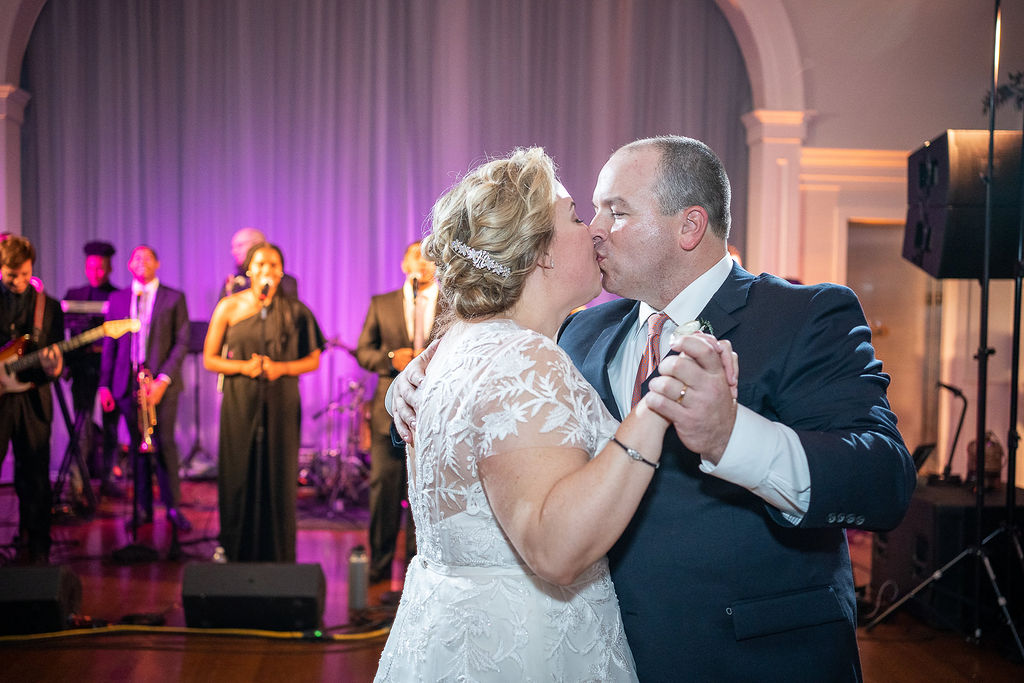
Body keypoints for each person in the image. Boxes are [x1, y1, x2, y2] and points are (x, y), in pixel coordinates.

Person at [392, 136, 916, 681]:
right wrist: (414, 386)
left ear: (689, 226)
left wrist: (731, 438)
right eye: (591, 211)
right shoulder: (578, 330)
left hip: (749, 658)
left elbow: (883, 480)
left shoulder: (803, 316)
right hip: (590, 651)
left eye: (616, 212)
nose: (595, 229)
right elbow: (500, 431)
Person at [374, 148, 725, 681]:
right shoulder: (521, 356)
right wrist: (656, 406)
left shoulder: (458, 348)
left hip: (454, 639)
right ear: (540, 253)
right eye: (578, 217)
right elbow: (555, 551)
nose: (596, 230)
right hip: (527, 645)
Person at [203, 242, 324, 562]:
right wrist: (243, 367)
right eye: (260, 264)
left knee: (278, 473)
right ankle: (235, 549)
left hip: (281, 400)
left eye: (273, 264)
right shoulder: (229, 306)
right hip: (240, 399)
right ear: (249, 270)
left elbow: (313, 359)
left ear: (281, 272)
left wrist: (280, 368)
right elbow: (210, 359)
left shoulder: (296, 310)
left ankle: (278, 554)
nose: (266, 270)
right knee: (239, 470)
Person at [355, 240, 439, 584]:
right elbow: (363, 352)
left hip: (434, 412)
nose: (423, 261)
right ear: (405, 264)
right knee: (383, 492)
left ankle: (418, 570)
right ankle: (378, 568)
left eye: (430, 255)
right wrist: (392, 359)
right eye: (416, 254)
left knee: (425, 494)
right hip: (387, 413)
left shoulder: (452, 303)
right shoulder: (382, 303)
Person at [98, 245, 192, 533]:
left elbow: (182, 342)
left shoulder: (174, 298)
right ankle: (142, 508)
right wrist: (104, 385)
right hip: (127, 383)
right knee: (137, 446)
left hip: (162, 385)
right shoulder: (118, 299)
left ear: (157, 263)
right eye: (136, 258)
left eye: (147, 257)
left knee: (164, 443)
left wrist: (162, 380)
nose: (142, 262)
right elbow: (110, 343)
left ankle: (172, 507)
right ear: (129, 265)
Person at [0, 234, 64, 564]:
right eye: (12, 275)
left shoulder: (48, 306)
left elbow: (58, 355)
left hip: (34, 397)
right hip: (1, 400)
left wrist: (56, 367)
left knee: (36, 473)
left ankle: (38, 546)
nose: (19, 281)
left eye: (25, 274)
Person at [63, 240, 122, 498]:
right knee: (82, 426)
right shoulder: (74, 295)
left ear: (109, 268)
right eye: (91, 267)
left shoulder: (118, 296)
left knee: (111, 427)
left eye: (100, 268)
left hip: (111, 371)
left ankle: (109, 478)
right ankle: (78, 483)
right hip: (83, 370)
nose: (95, 273)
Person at [220, 227, 298, 299]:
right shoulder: (233, 283)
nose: (234, 252)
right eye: (233, 247)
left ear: (258, 245)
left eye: (240, 246)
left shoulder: (286, 283)